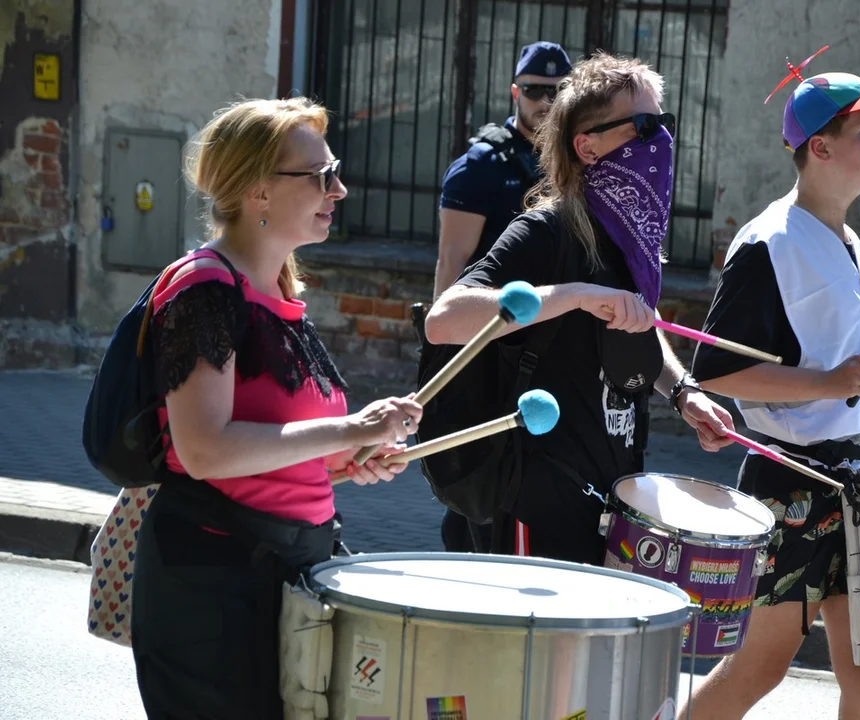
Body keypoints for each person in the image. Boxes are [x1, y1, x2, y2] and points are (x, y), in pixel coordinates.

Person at [680, 67, 860, 720]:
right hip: (793, 482)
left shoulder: (850, 239)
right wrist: (829, 384)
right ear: (821, 147)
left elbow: (846, 374)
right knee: (759, 668)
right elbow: (718, 372)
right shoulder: (769, 242)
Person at [130, 97, 424, 720]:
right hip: (214, 583)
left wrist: (349, 455)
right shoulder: (204, 287)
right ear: (258, 191)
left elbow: (275, 442)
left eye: (334, 169)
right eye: (319, 175)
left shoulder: (280, 294)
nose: (338, 189)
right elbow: (204, 450)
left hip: (284, 570)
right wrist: (348, 427)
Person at [425, 52, 737, 565]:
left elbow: (634, 324)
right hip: (538, 499)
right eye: (642, 125)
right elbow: (445, 320)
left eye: (663, 123)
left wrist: (682, 392)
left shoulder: (628, 235)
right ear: (587, 147)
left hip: (612, 493)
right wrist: (577, 295)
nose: (658, 139)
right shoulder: (545, 231)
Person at [432, 40, 572, 553]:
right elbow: (451, 268)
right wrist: (449, 362)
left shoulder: (575, 163)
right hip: (488, 347)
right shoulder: (482, 167)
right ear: (516, 91)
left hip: (547, 349)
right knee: (479, 484)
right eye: (535, 90)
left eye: (558, 92)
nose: (546, 101)